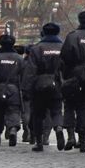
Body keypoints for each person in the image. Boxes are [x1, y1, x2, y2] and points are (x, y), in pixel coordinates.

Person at [22, 22, 66, 152]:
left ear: (44, 33)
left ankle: (39, 142)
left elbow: (30, 70)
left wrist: (26, 88)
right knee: (56, 110)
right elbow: (66, 67)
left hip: (39, 85)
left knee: (38, 114)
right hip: (57, 83)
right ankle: (58, 128)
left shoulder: (37, 48)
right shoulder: (63, 47)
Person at [61, 10, 85, 153]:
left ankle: (71, 136)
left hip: (74, 76)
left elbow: (64, 58)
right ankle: (84, 142)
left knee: (70, 106)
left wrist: (67, 75)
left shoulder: (72, 36)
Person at [0, 35, 23, 147]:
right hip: (14, 89)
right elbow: (25, 75)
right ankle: (12, 128)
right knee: (13, 111)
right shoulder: (19, 58)